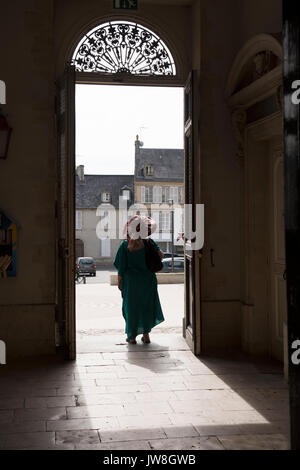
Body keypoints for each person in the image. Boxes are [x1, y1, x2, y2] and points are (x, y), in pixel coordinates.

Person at [113, 215, 165, 344]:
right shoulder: (149, 242)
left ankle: (131, 336)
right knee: (146, 307)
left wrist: (119, 281)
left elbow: (121, 266)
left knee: (131, 308)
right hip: (148, 280)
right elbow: (160, 255)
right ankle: (146, 335)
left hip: (131, 282)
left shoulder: (124, 245)